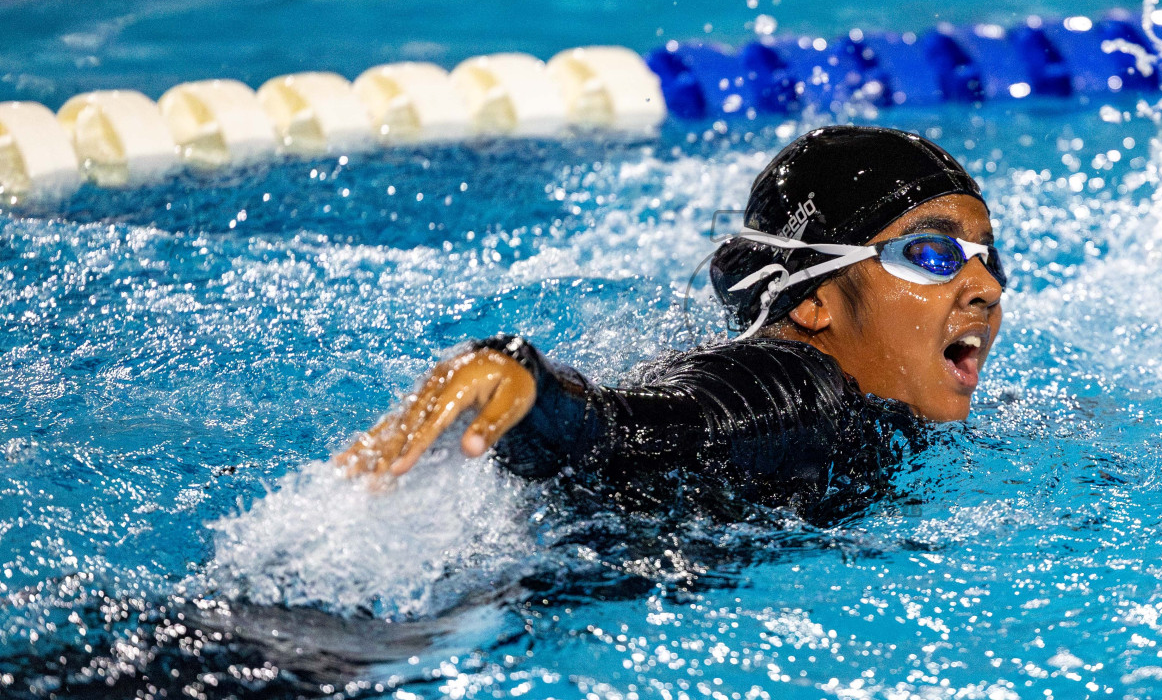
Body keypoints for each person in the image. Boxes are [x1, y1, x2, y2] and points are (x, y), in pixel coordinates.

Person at [338, 125, 1007, 518]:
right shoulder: (800, 390)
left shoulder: (868, 410)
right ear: (815, 300)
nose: (983, 285)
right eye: (931, 254)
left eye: (987, 257)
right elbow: (648, 425)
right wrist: (534, 395)